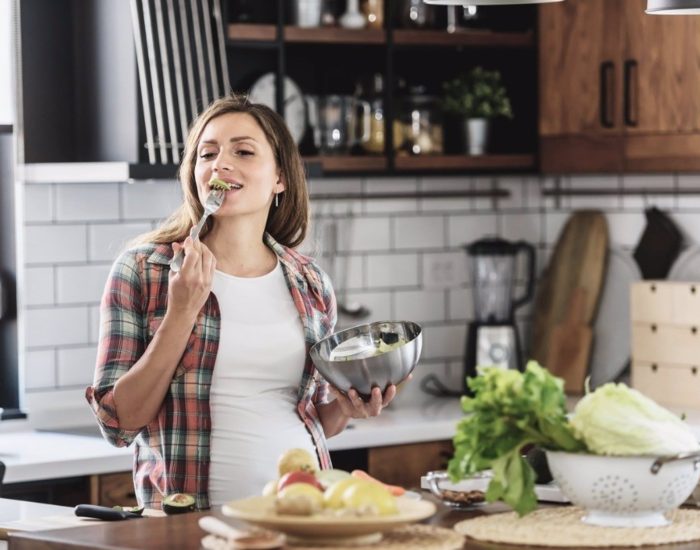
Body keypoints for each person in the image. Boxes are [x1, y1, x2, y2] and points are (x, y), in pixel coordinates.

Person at [86, 93, 401, 510]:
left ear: (280, 179)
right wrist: (181, 312)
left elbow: (310, 416)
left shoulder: (309, 282)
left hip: (303, 511)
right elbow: (120, 424)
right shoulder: (143, 270)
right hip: (191, 521)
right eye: (208, 153)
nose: (220, 163)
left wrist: (346, 409)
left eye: (244, 151)